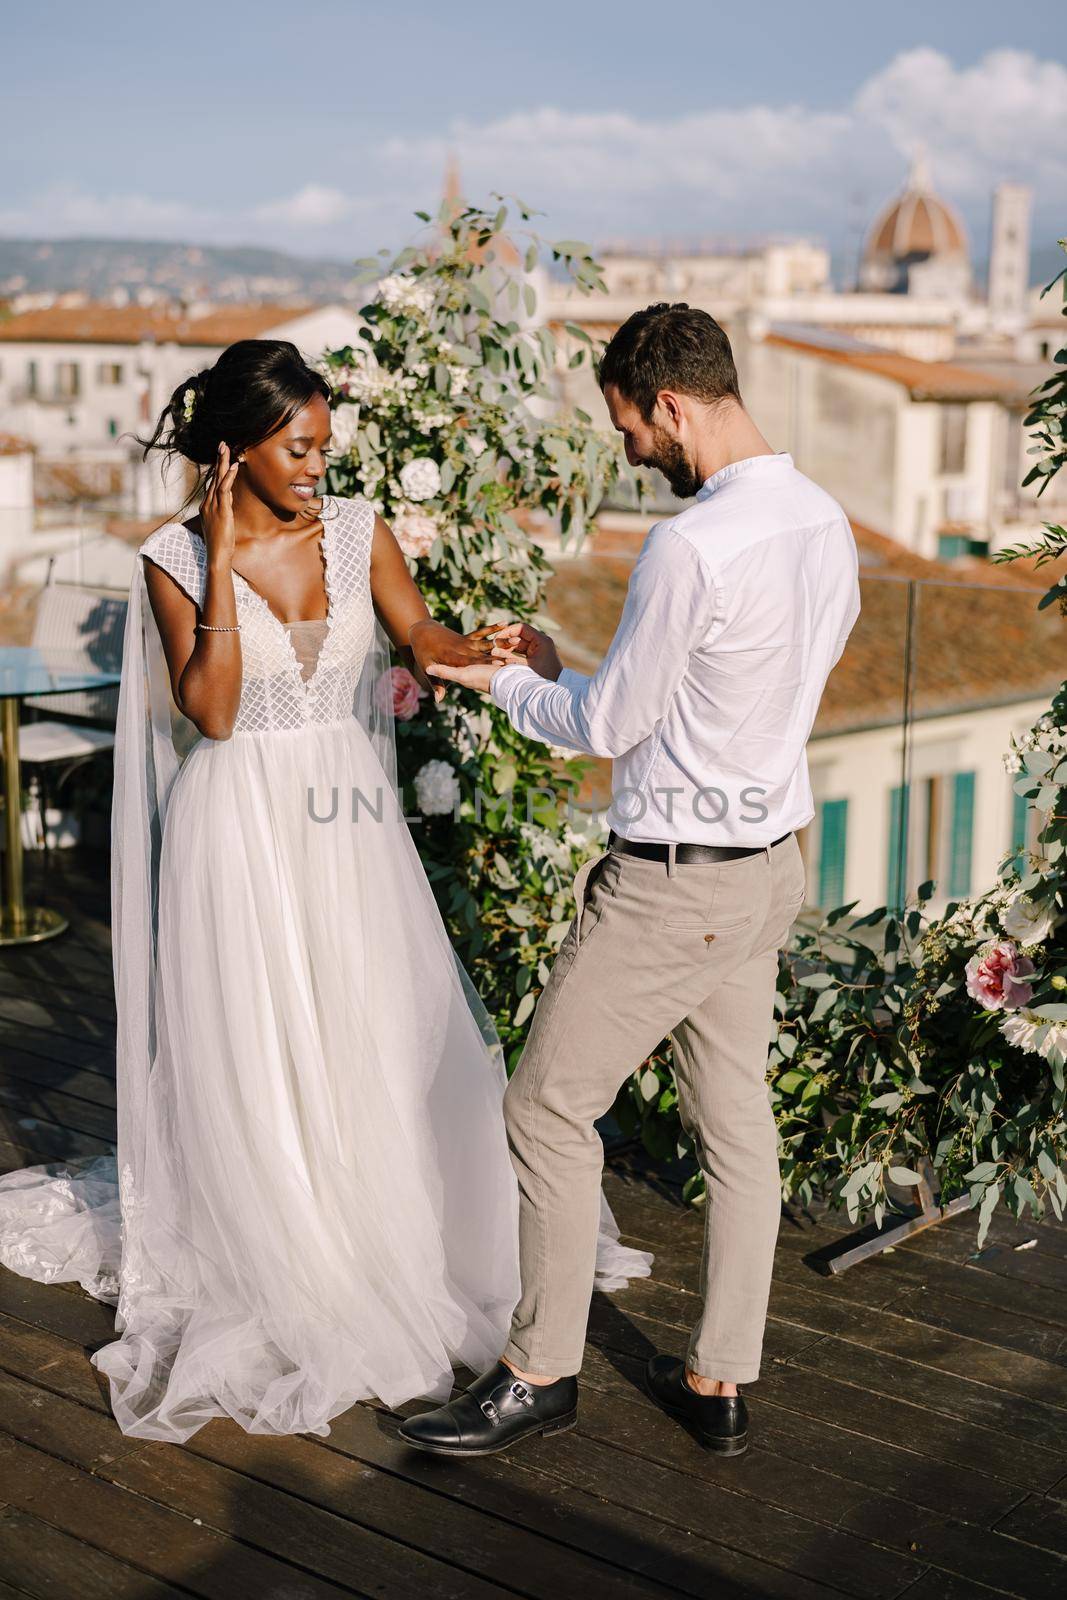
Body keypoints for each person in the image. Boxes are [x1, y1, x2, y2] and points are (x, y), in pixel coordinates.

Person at [0, 338, 649, 1443]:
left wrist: (482, 647)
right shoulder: (168, 556)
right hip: (234, 822)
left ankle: (375, 1223)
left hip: (341, 819)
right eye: (296, 447)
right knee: (255, 1033)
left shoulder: (356, 532)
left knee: (366, 1027)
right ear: (235, 447)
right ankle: (281, 1234)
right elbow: (207, 712)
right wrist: (211, 554)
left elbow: (422, 639)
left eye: (323, 446)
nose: (315, 466)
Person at [402, 302, 861, 1459]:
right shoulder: (821, 522)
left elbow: (609, 728)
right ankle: (720, 1378)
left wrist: (495, 682)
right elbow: (706, 702)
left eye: (626, 431)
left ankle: (539, 1368)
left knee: (543, 1107)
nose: (629, 454)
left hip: (672, 892)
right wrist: (569, 665)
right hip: (765, 870)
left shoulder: (692, 544)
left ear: (668, 403)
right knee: (736, 1127)